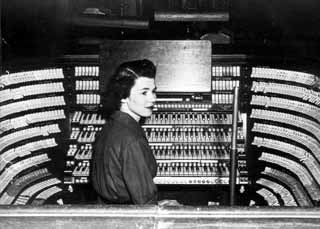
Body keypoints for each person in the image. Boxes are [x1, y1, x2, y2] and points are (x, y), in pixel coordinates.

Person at [91, 59, 158, 204]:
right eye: (144, 93)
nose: (152, 98)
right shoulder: (131, 140)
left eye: (153, 91)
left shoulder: (109, 127)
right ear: (123, 96)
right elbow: (145, 202)